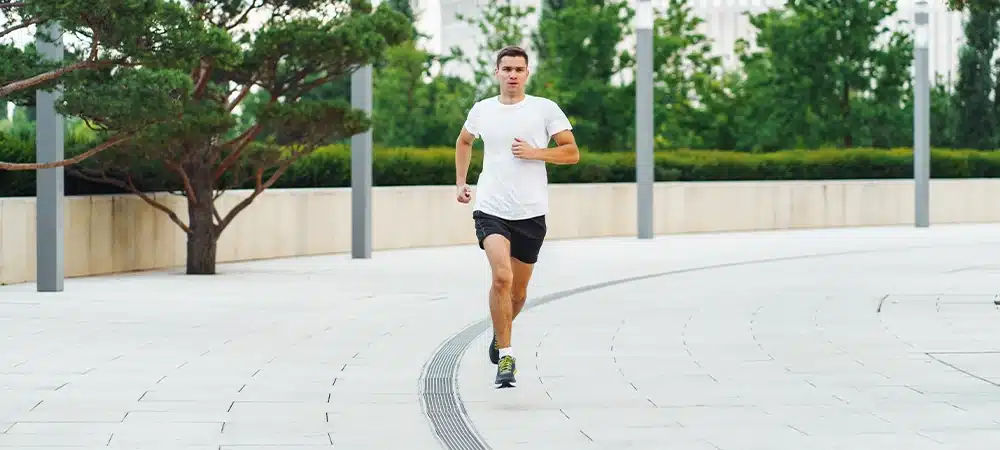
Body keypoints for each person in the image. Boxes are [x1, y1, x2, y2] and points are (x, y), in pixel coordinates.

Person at [453, 45, 580, 388]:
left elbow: (572, 153)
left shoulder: (544, 109)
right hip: (491, 207)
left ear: (527, 74)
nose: (512, 74)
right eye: (506, 68)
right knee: (501, 278)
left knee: (519, 293)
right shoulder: (482, 110)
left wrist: (535, 152)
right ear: (496, 72)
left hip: (530, 213)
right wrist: (462, 183)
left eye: (518, 69)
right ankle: (506, 355)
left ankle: (500, 333)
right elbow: (464, 142)